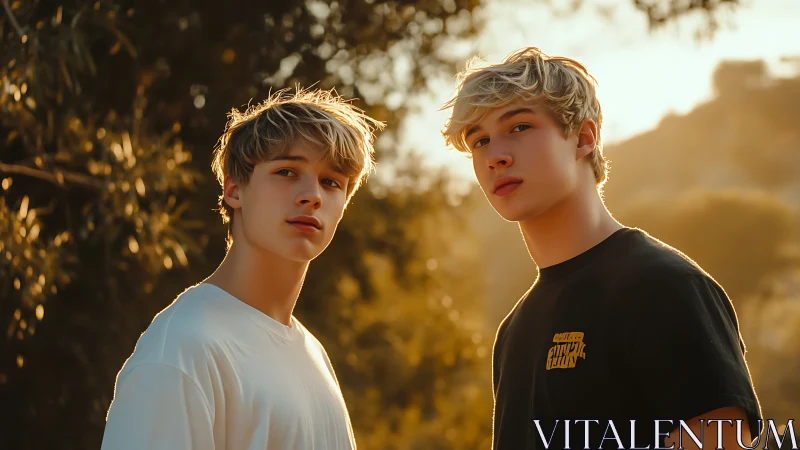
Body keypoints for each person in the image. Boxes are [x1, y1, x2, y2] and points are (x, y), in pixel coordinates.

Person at [441, 47, 762, 450]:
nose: (495, 156)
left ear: (584, 139)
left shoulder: (665, 286)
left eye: (519, 127)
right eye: (479, 141)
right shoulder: (513, 331)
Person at [101, 88, 384, 450]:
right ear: (234, 190)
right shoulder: (182, 351)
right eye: (287, 171)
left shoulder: (312, 353)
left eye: (332, 182)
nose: (312, 194)